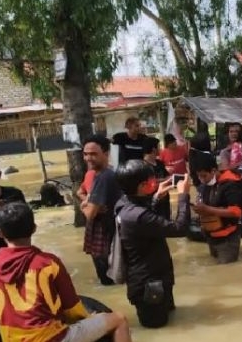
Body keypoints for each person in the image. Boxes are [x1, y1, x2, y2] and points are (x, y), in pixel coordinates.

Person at [0, 202, 132, 342]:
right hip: (54, 338)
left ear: (1, 234)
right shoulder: (49, 263)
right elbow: (72, 308)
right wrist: (91, 317)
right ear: (34, 229)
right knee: (119, 319)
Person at [114, 160, 191, 328]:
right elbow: (180, 229)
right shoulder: (138, 216)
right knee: (157, 329)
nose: (155, 182)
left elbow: (145, 222)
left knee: (171, 321)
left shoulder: (124, 203)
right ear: (142, 186)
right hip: (148, 285)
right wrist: (183, 196)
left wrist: (155, 198)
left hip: (157, 278)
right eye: (152, 180)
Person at [81, 135, 122, 286]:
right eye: (85, 154)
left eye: (93, 154)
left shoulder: (103, 177)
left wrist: (84, 205)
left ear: (106, 154)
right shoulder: (105, 174)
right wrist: (89, 202)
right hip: (109, 233)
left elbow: (90, 214)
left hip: (105, 234)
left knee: (107, 280)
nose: (88, 158)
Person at [193, 153, 242, 264]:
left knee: (226, 271)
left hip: (228, 239)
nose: (202, 179)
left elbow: (236, 212)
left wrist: (207, 209)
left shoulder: (230, 184)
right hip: (211, 236)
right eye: (199, 176)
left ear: (214, 170)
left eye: (204, 175)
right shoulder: (204, 186)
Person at [142, 137, 171, 219]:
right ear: (154, 149)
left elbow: (167, 175)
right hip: (152, 200)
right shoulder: (143, 166)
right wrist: (165, 180)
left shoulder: (160, 163)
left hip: (165, 199)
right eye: (159, 146)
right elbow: (148, 182)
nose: (160, 149)